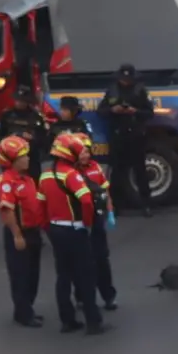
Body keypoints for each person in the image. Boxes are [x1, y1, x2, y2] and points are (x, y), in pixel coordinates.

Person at [37, 134, 104, 335]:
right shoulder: (72, 175)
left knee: (63, 276)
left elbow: (41, 205)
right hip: (75, 230)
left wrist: (47, 228)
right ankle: (94, 322)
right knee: (86, 276)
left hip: (56, 230)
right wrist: (88, 223)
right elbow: (85, 201)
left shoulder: (45, 175)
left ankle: (67, 321)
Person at [0, 136, 46, 327]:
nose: (27, 159)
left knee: (33, 273)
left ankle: (28, 309)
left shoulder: (27, 179)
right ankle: (23, 313)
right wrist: (17, 234)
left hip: (33, 232)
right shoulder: (7, 182)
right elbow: (7, 210)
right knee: (21, 275)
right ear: (11, 161)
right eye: (22, 157)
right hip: (20, 233)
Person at [97, 63, 154, 217]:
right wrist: (112, 110)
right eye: (123, 78)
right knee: (117, 172)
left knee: (140, 171)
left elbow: (150, 113)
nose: (125, 81)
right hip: (118, 135)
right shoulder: (112, 91)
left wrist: (135, 111)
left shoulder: (140, 91)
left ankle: (146, 204)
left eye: (128, 79)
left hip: (136, 135)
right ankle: (115, 205)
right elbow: (100, 111)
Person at [74, 132, 118, 311]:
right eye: (81, 152)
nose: (85, 155)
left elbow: (105, 191)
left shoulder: (96, 167)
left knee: (101, 259)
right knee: (81, 263)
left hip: (96, 219)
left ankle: (108, 297)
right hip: (80, 222)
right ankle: (82, 297)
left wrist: (110, 212)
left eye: (87, 151)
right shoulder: (71, 172)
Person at [0, 89, 50, 182]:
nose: (19, 103)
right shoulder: (6, 115)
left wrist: (32, 138)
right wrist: (15, 136)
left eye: (22, 101)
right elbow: (0, 135)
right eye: (17, 100)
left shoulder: (36, 116)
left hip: (31, 157)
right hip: (11, 158)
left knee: (33, 184)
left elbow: (43, 138)